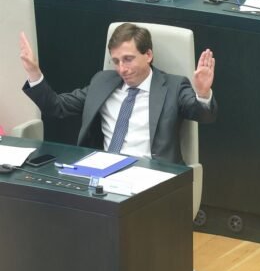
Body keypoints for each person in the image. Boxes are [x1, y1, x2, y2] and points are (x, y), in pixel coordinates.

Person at [19, 22, 217, 165]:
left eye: (128, 59)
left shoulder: (173, 86)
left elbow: (204, 115)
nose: (122, 69)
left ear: (148, 55)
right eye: (116, 61)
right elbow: (57, 107)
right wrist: (34, 73)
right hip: (103, 169)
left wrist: (203, 92)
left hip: (151, 173)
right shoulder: (102, 82)